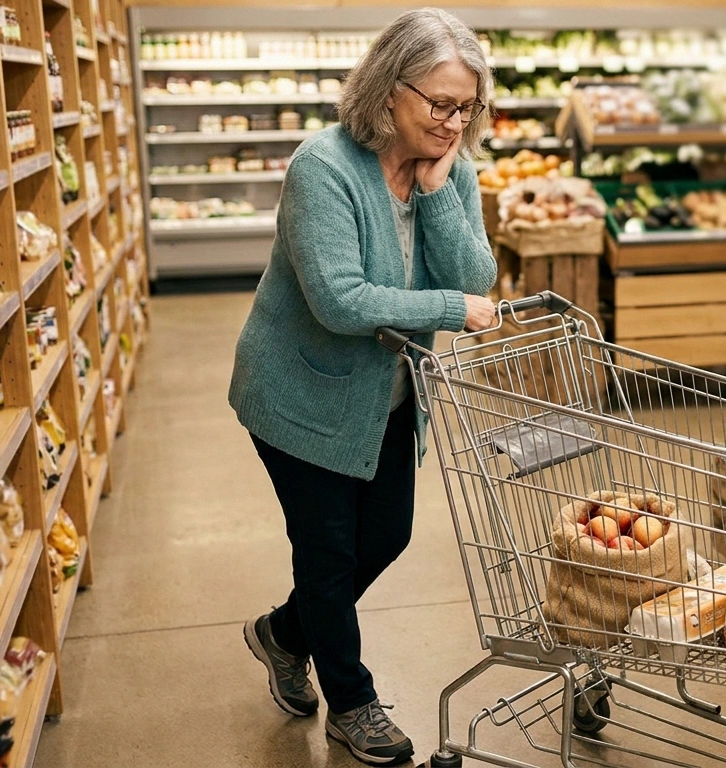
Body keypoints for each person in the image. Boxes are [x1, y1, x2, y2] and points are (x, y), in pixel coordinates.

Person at [227, 8, 498, 766]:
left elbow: (475, 275)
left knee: (387, 535)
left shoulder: (453, 168)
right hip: (300, 396)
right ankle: (351, 702)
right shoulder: (324, 167)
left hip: (386, 396)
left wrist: (441, 192)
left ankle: (281, 634)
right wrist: (449, 310)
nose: (452, 122)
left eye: (466, 107)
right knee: (328, 552)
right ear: (387, 90)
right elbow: (341, 300)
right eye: (438, 104)